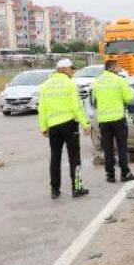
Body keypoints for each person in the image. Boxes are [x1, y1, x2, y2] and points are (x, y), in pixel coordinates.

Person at [38, 59, 91, 199]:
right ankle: (77, 188)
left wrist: (43, 127)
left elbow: (42, 108)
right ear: (64, 69)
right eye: (71, 69)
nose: (73, 71)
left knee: (55, 158)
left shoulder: (45, 85)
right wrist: (85, 123)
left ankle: (55, 190)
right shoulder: (70, 84)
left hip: (53, 127)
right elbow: (76, 106)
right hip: (69, 125)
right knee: (75, 158)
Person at [92, 60, 134, 183]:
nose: (120, 68)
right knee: (122, 147)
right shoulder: (120, 80)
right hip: (118, 119)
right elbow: (129, 98)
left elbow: (93, 100)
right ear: (114, 67)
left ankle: (110, 175)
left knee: (108, 149)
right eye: (118, 66)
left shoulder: (97, 81)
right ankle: (125, 173)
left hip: (104, 121)